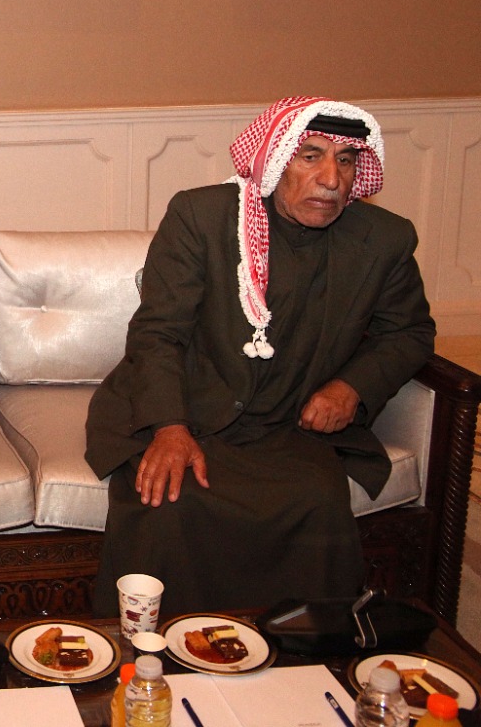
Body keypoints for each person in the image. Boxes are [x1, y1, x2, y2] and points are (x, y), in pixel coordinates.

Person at [85, 97, 435, 616]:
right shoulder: (202, 217)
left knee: (317, 501)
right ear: (274, 161)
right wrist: (169, 428)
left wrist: (351, 388)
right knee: (169, 501)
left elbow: (408, 332)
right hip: (189, 407)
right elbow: (158, 333)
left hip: (290, 424)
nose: (331, 179)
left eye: (345, 160)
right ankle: (160, 644)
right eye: (311, 156)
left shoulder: (384, 239)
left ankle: (306, 644)